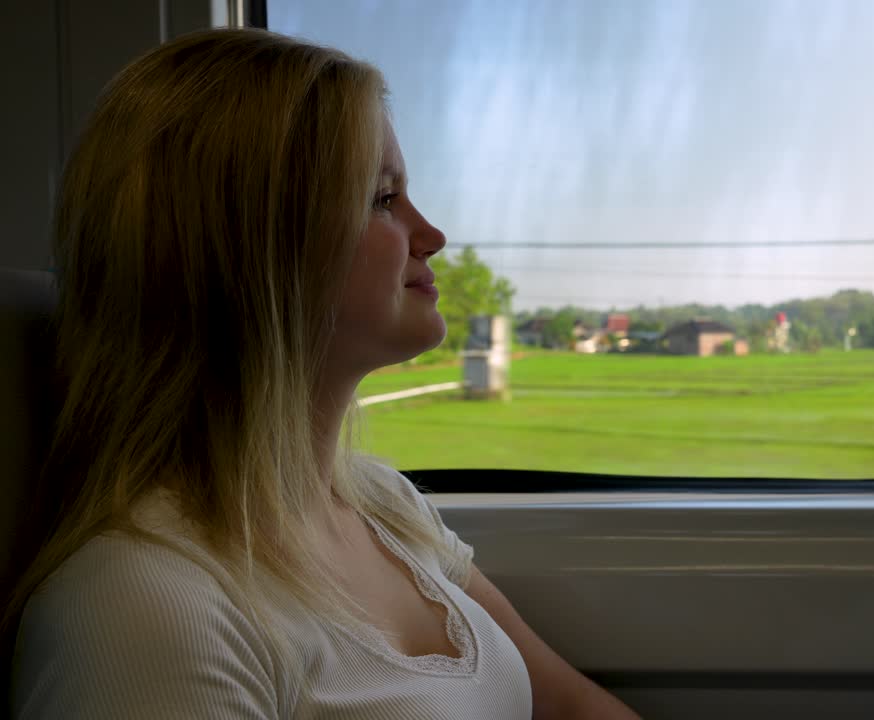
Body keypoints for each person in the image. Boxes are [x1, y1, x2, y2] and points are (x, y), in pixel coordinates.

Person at [5, 28, 640, 720]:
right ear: (256, 247)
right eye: (383, 199)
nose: (432, 237)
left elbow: (573, 709)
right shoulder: (142, 612)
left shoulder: (383, 505)